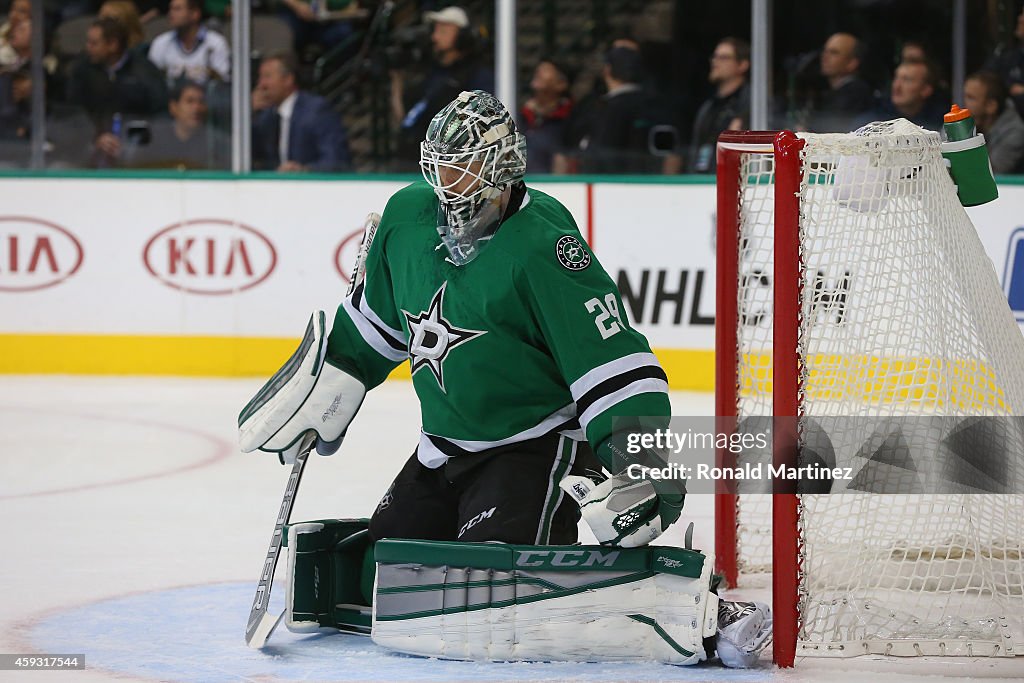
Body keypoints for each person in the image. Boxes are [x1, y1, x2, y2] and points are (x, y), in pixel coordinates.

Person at [237, 89, 771, 668]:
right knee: (379, 579)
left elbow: (611, 363)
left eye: (463, 166)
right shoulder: (404, 217)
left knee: (487, 591)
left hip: (536, 445)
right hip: (443, 449)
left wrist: (639, 464)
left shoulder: (544, 243)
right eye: (439, 165)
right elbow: (373, 329)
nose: (447, 181)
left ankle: (700, 610)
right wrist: (332, 381)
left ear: (503, 168)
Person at [390, 6, 494, 166]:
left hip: (454, 166)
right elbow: (405, 118)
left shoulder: (477, 76)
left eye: (443, 31)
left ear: (463, 37)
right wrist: (397, 80)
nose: (434, 37)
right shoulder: (429, 72)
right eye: (435, 30)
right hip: (414, 160)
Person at [66, 16, 168, 167]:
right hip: (89, 145)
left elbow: (160, 113)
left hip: (138, 148)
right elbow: (72, 111)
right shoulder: (82, 70)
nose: (88, 48)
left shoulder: (144, 71)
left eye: (94, 43)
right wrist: (94, 136)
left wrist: (134, 140)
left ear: (112, 45)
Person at [251, 51, 351, 172]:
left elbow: (336, 159)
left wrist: (303, 170)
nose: (261, 85)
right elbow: (250, 156)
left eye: (267, 77)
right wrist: (249, 113)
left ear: (288, 80)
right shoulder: (266, 117)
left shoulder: (316, 110)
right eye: (260, 78)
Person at [127, 79, 227, 168]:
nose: (197, 108)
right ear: (173, 107)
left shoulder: (214, 142)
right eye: (190, 101)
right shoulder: (154, 137)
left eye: (201, 102)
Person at [688, 37, 750, 173]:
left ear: (742, 65)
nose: (715, 62)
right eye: (715, 57)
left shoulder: (751, 105)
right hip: (702, 180)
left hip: (737, 182)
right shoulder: (709, 107)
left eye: (724, 57)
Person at [148, 0, 230, 86]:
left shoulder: (216, 43)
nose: (170, 14)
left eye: (177, 9)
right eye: (170, 9)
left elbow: (222, 83)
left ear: (195, 14)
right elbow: (151, 83)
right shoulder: (160, 43)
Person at [808, 32, 874, 133]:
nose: (825, 57)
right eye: (825, 51)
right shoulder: (830, 93)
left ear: (852, 63)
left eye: (834, 52)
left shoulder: (855, 94)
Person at [963, 70, 1024, 174]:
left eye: (971, 98)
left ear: (991, 106)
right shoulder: (962, 122)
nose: (964, 103)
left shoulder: (1014, 132)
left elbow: (991, 172)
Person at [519, 58, 573, 175]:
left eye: (546, 70)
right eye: (539, 69)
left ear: (561, 84)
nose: (539, 73)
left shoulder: (571, 117)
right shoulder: (521, 114)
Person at [865, 59, 945, 131]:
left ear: (925, 90)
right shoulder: (873, 121)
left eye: (907, 80)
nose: (897, 86)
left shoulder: (941, 122)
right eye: (896, 78)